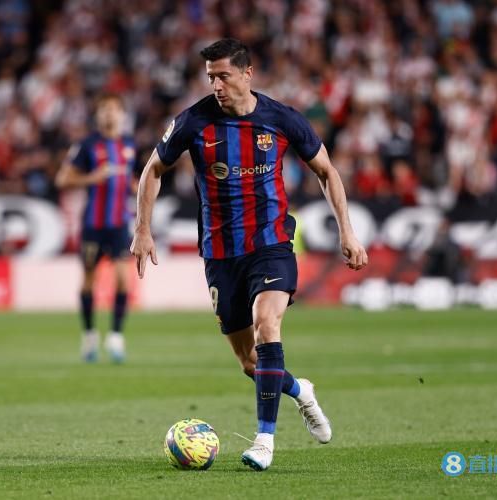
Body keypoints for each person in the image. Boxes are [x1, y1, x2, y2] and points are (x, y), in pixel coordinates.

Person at [131, 39, 368, 471]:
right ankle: (301, 391)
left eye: (222, 75)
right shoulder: (192, 121)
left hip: (272, 244)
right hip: (221, 254)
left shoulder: (281, 118)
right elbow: (152, 171)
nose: (216, 85)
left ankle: (264, 441)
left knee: (267, 323)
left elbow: (326, 171)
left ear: (247, 73)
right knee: (250, 362)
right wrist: (143, 230)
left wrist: (347, 232)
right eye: (210, 78)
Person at [56, 93, 137, 363]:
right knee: (89, 280)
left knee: (124, 279)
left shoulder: (129, 144)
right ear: (97, 116)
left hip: (119, 225)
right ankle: (89, 335)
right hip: (93, 224)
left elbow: (132, 179)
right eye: (104, 110)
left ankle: (115, 336)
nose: (109, 114)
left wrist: (138, 187)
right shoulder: (87, 145)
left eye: (114, 109)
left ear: (122, 114)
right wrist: (93, 177)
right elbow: (63, 178)